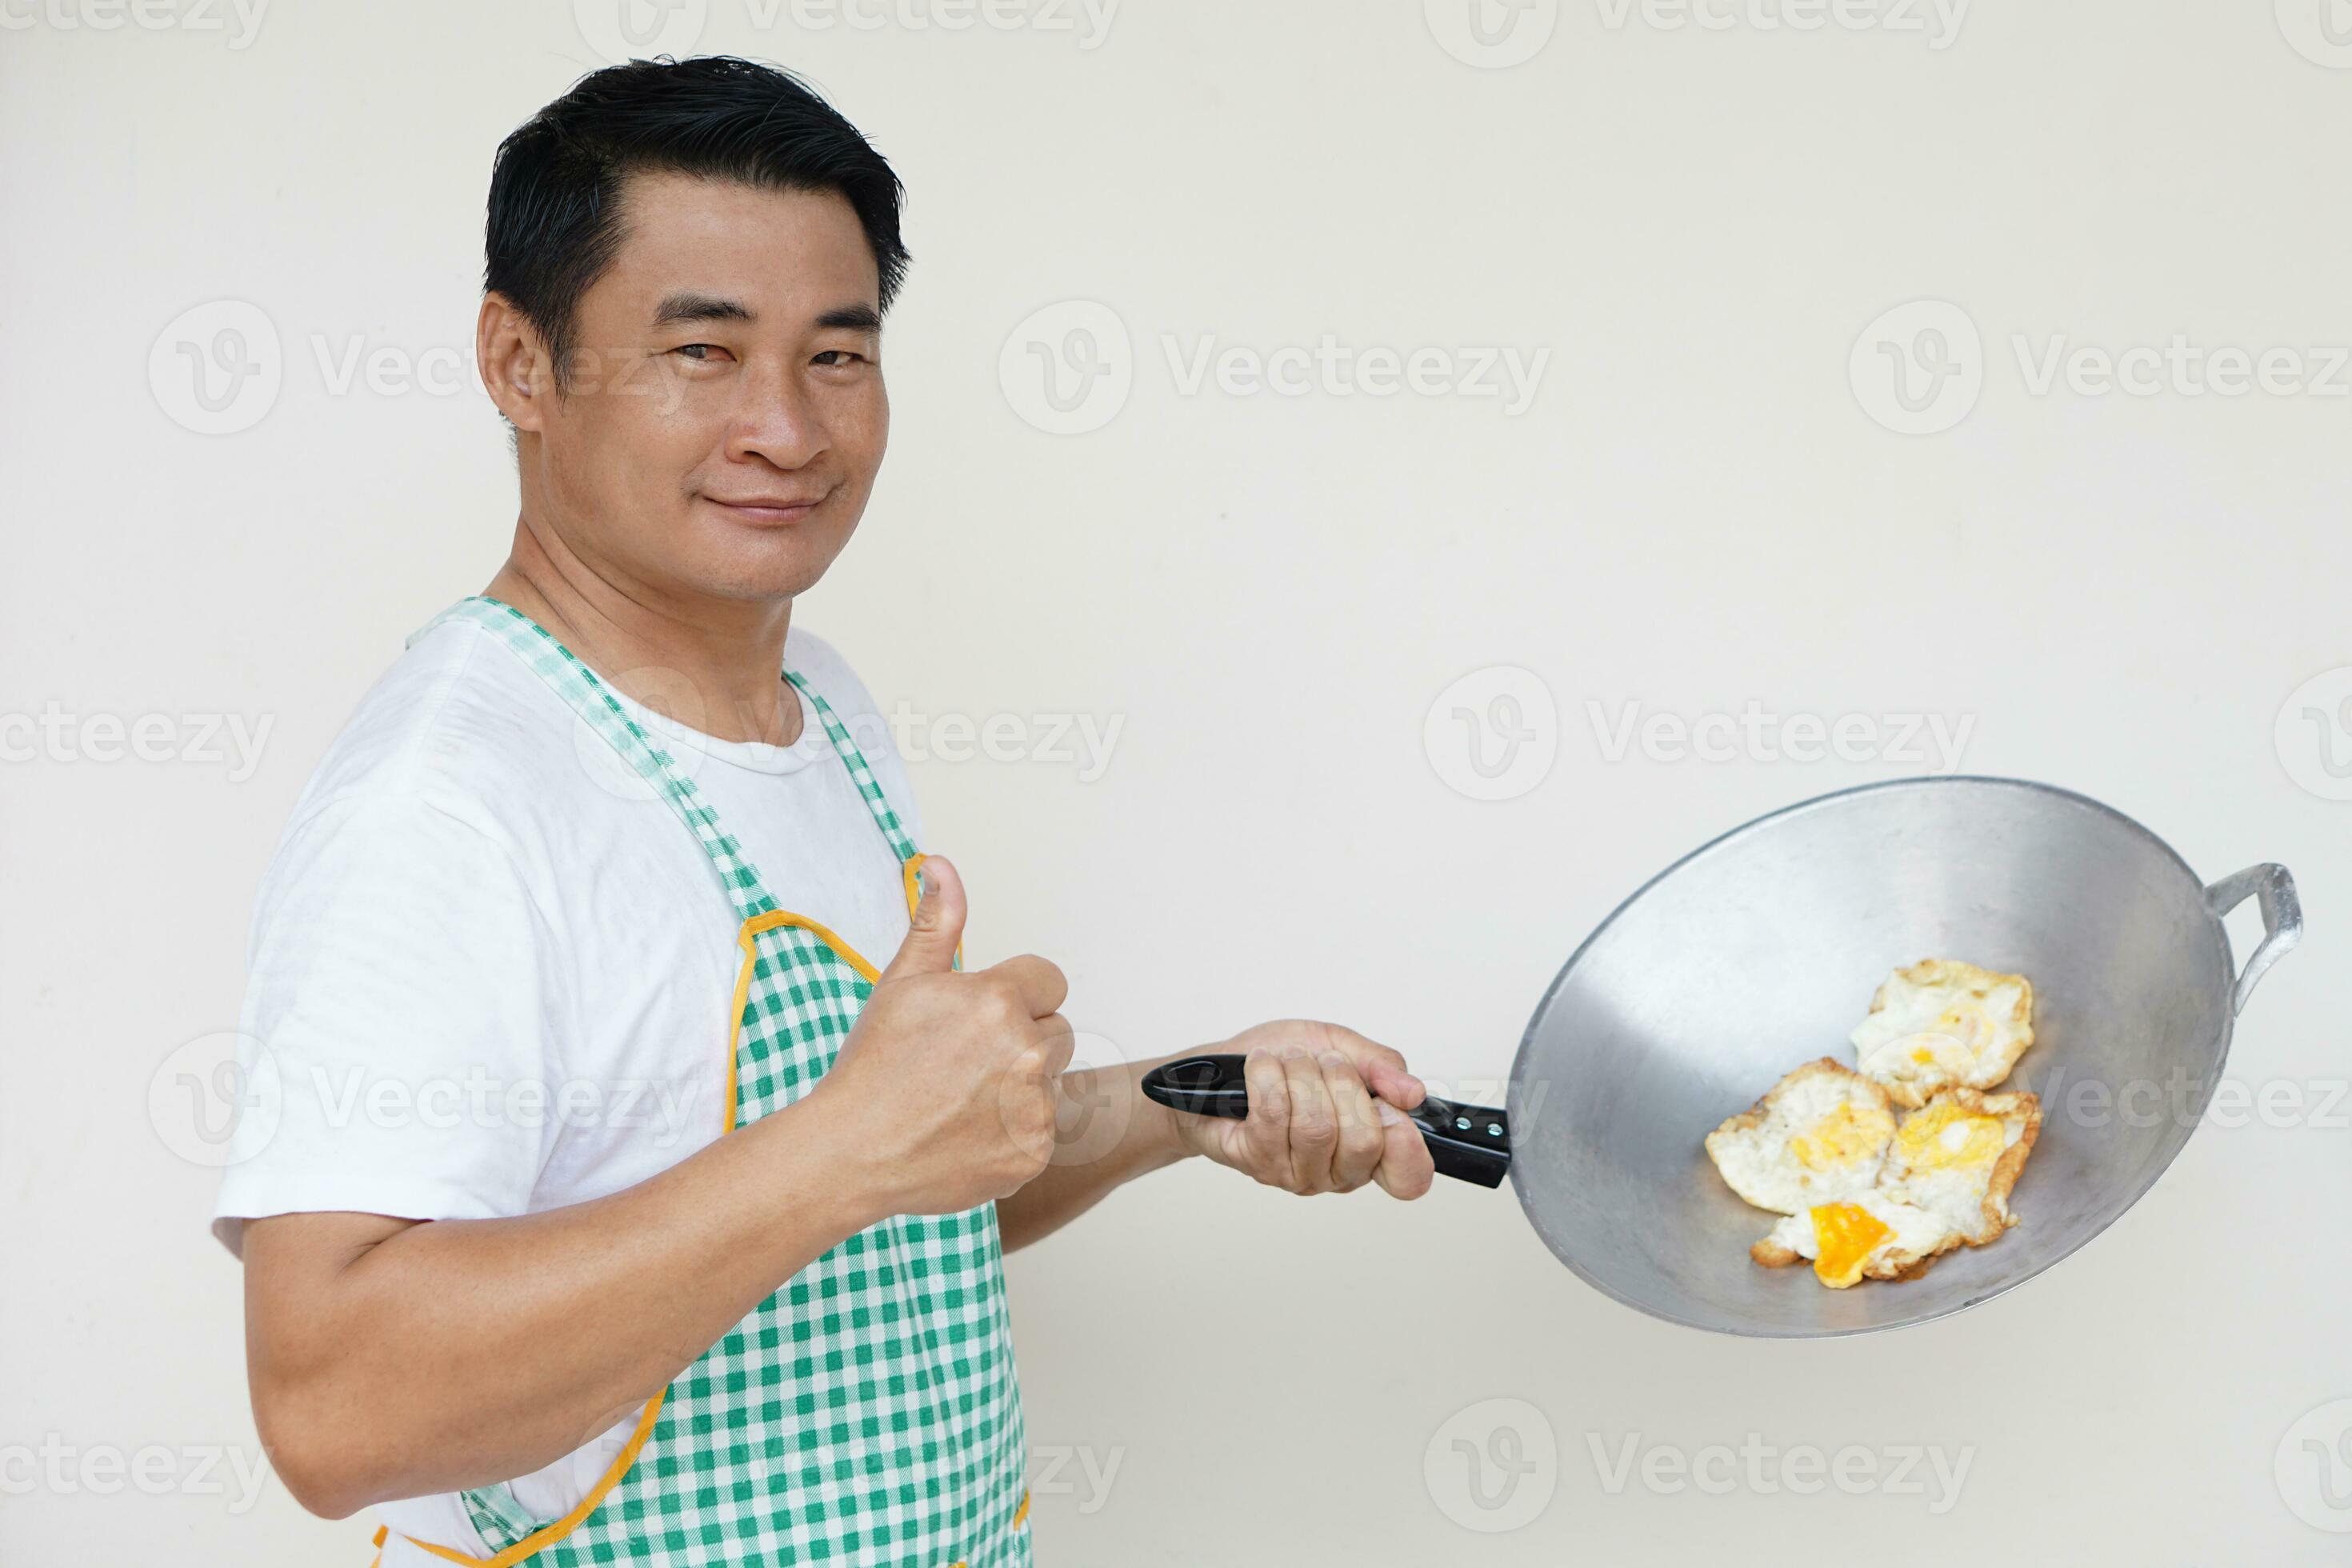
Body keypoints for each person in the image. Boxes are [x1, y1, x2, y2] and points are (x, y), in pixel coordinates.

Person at [216, 54, 1437, 1568]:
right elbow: (333, 1408)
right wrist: (849, 1147)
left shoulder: (829, 709)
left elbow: (876, 1221)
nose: (786, 431)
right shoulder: (450, 802)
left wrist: (1181, 1099)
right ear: (519, 363)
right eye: (702, 354)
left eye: (837, 356)